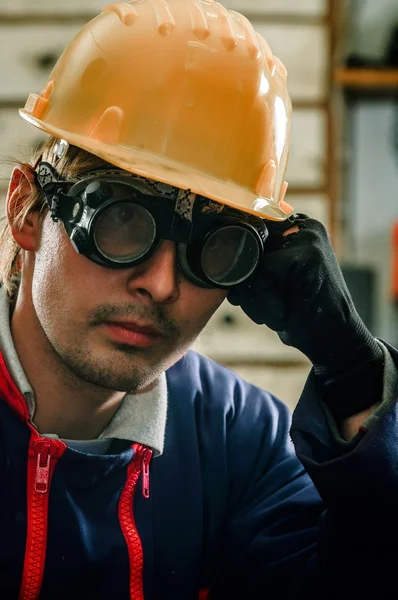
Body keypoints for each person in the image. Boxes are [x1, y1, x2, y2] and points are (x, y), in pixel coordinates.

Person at [0, 1, 397, 599]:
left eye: (214, 248)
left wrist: (356, 377)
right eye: (121, 221)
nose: (161, 285)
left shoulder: (241, 443)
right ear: (26, 210)